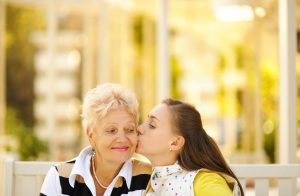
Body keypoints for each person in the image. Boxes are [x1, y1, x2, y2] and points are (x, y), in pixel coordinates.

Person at [40, 83, 152, 196]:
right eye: (111, 130)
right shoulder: (59, 177)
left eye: (129, 129)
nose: (122, 139)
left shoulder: (148, 177)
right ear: (91, 135)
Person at [137, 98, 244, 196]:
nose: (139, 128)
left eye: (152, 125)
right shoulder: (152, 177)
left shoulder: (203, 181)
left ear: (175, 143)